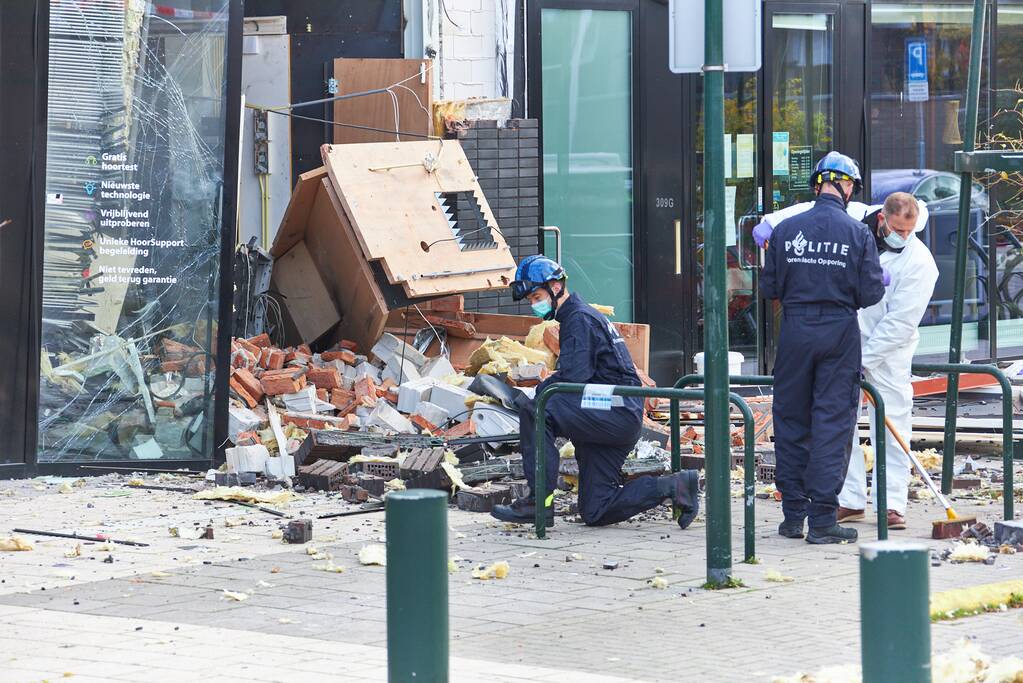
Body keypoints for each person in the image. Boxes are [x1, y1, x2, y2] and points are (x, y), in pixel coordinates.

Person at [756, 193, 937, 531]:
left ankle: (892, 503)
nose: (903, 236)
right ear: (883, 219)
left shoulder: (920, 263)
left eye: (909, 231)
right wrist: (771, 221)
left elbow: (900, 323)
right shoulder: (858, 220)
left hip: (886, 355)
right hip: (842, 343)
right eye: (897, 228)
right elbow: (814, 208)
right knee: (840, 427)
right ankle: (850, 498)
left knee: (892, 422)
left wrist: (863, 359)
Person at [490, 255, 701, 529]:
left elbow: (572, 378)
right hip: (613, 415)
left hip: (613, 412)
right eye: (530, 300)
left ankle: (537, 503)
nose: (534, 305)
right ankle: (676, 486)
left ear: (556, 288)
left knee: (537, 409)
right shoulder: (580, 316)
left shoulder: (579, 319)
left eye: (537, 296)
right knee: (596, 510)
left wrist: (536, 392)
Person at [758, 152, 886, 544]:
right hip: (839, 332)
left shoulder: (786, 229)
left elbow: (769, 288)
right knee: (832, 422)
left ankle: (793, 515)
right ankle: (823, 519)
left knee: (791, 418)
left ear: (817, 184)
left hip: (795, 330)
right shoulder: (857, 233)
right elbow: (870, 293)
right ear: (847, 187)